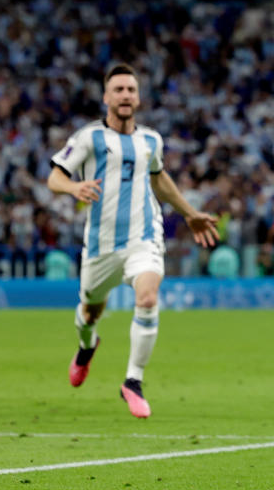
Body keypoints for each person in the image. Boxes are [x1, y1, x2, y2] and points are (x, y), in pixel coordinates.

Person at [46, 63, 219, 417]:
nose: (125, 95)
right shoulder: (88, 138)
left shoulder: (150, 141)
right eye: (119, 90)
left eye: (131, 90)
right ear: (106, 97)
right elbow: (54, 178)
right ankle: (86, 345)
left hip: (144, 237)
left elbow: (159, 178)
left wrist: (189, 212)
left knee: (147, 295)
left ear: (138, 98)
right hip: (100, 245)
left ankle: (133, 381)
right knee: (91, 310)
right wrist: (73, 186)